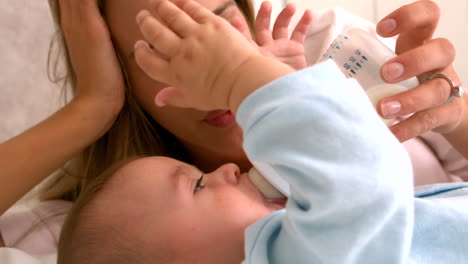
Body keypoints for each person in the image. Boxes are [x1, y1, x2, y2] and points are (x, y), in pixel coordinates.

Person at [1, 0, 467, 260]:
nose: (210, 60)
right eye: (164, 47)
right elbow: (357, 182)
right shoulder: (100, 229)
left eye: (220, 26)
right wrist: (92, 106)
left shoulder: (342, 70)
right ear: (115, 71)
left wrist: (458, 119)